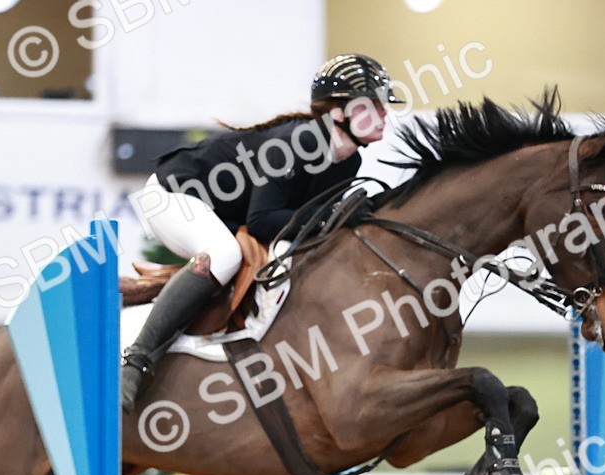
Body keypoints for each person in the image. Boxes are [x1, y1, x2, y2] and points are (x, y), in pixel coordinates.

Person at [121, 53, 401, 411]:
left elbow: (300, 227)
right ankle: (137, 360)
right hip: (173, 195)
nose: (384, 115)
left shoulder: (350, 161)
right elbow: (264, 221)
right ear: (338, 112)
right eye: (373, 106)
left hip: (221, 213)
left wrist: (337, 216)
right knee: (224, 255)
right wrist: (336, 214)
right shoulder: (300, 141)